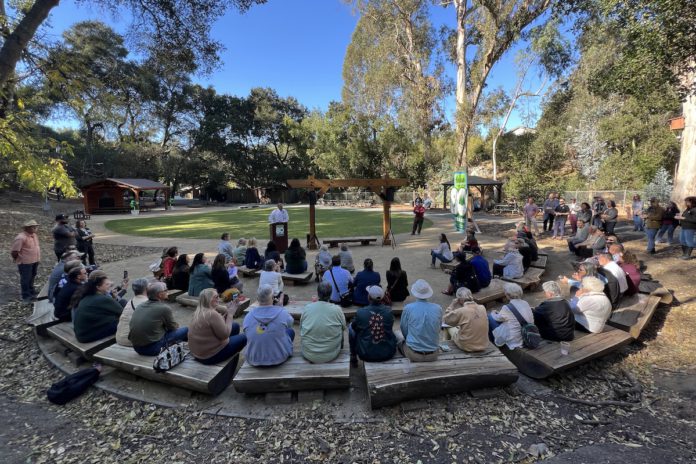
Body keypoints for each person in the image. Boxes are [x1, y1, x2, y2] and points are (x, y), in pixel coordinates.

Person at [188, 288, 247, 366]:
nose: (218, 299)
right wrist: (230, 314)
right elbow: (225, 335)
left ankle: (229, 352)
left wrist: (226, 315)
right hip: (208, 357)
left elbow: (211, 327)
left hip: (198, 353)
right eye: (216, 297)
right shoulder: (212, 314)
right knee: (245, 337)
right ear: (209, 300)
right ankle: (229, 362)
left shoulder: (199, 311)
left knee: (235, 326)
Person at [129, 282, 189, 356]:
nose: (167, 291)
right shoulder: (164, 308)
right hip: (153, 348)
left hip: (137, 348)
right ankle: (191, 351)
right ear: (160, 295)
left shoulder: (140, 306)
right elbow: (173, 327)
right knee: (186, 329)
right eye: (166, 290)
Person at [242, 284, 294, 366]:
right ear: (273, 298)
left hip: (254, 359)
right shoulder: (282, 312)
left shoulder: (248, 316)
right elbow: (290, 323)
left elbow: (246, 333)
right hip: (279, 358)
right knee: (290, 331)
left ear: (257, 299)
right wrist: (281, 308)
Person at [348, 285, 397, 365]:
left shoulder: (361, 312)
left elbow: (354, 326)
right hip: (388, 353)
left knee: (350, 328)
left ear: (369, 297)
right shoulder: (389, 311)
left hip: (365, 354)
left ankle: (353, 355)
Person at [300, 282, 347, 363]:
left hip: (308, 353)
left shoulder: (307, 308)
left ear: (318, 294)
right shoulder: (337, 309)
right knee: (340, 330)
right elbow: (344, 326)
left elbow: (301, 326)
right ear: (331, 294)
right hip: (331, 354)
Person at [73, 273, 123, 343]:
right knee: (123, 322)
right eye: (107, 285)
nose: (110, 286)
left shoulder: (87, 296)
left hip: (81, 333)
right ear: (98, 287)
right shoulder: (102, 299)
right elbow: (123, 313)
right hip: (86, 336)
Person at [399, 280, 442, 362]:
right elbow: (438, 328)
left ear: (415, 292)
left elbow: (403, 328)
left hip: (413, 354)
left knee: (398, 336)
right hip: (433, 354)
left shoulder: (408, 308)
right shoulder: (438, 308)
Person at [488, 283, 534, 349]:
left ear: (508, 295)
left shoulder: (507, 307)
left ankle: (493, 343)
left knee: (490, 317)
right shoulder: (525, 303)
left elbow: (498, 318)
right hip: (527, 332)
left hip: (515, 338)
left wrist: (493, 313)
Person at [443, 287, 489, 352]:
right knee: (464, 326)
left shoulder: (461, 311)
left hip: (467, 346)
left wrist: (452, 305)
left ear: (459, 300)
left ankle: (445, 346)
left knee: (447, 327)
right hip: (483, 344)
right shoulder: (482, 307)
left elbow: (446, 320)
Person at [11, 219, 41, 303]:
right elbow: (14, 251)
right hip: (25, 262)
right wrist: (17, 258)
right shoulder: (21, 238)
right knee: (25, 278)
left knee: (32, 276)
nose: (35, 228)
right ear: (27, 228)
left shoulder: (34, 235)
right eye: (33, 227)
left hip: (35, 260)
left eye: (36, 227)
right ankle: (26, 295)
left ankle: (31, 291)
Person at [115, 278, 149, 347]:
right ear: (147, 289)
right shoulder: (148, 303)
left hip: (119, 339)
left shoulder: (130, 302)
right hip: (132, 342)